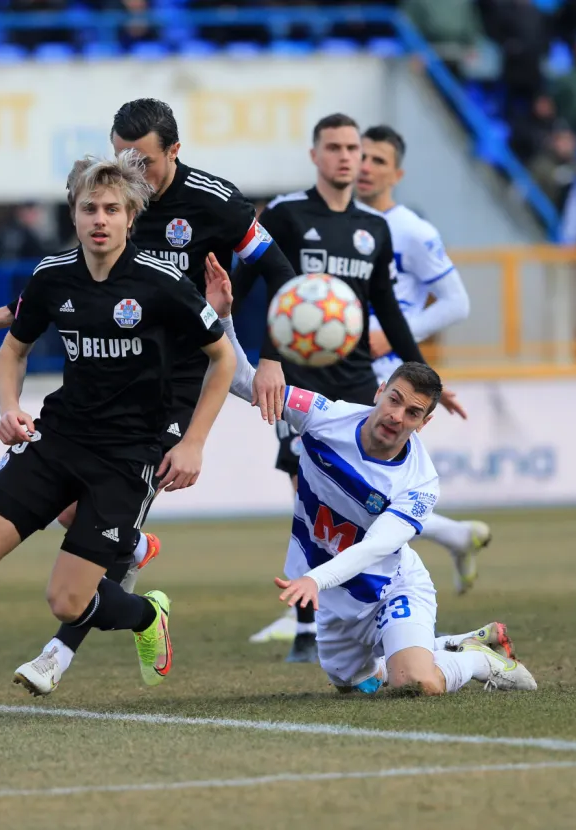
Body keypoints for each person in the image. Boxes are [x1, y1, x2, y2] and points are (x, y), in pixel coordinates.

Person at [0, 151, 236, 717]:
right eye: (89, 208)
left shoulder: (162, 283)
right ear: (74, 214)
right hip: (58, 436)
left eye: (111, 208)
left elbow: (222, 360)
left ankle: (146, 615)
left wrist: (194, 442)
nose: (99, 219)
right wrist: (10, 409)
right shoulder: (52, 275)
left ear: (132, 216)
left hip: (127, 455)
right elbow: (14, 349)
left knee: (67, 599)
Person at [0, 98, 302, 696]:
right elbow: (88, 276)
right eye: (121, 156)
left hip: (196, 364)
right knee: (83, 511)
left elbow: (282, 273)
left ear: (174, 152)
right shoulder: (113, 197)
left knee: (306, 417)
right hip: (122, 377)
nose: (129, 170)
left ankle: (56, 654)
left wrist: (271, 357)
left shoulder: (216, 203)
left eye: (142, 159)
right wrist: (15, 313)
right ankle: (134, 551)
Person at [207, 258, 536, 696]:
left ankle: (480, 662)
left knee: (416, 683)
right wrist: (223, 317)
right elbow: (245, 382)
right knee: (356, 684)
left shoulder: (420, 484)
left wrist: (313, 580)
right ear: (379, 392)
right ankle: (456, 644)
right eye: (395, 400)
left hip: (390, 586)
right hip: (336, 601)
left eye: (413, 413)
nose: (397, 417)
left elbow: (374, 548)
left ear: (425, 423)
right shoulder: (323, 415)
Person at [230, 113, 456, 663]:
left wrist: (425, 373)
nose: (346, 157)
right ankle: (308, 623)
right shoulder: (284, 215)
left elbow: (386, 307)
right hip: (298, 376)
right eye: (333, 147)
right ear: (315, 156)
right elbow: (246, 283)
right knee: (307, 489)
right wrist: (249, 345)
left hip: (356, 378)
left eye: (354, 148)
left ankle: (348, 611)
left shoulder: (373, 230)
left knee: (359, 496)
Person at [355, 125, 493, 595]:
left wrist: (392, 334)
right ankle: (454, 534)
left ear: (398, 172)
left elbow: (457, 302)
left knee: (329, 480)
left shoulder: (411, 230)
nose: (365, 167)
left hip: (379, 374)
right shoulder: (337, 221)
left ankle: (305, 617)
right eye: (361, 156)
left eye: (377, 159)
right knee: (337, 484)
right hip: (333, 363)